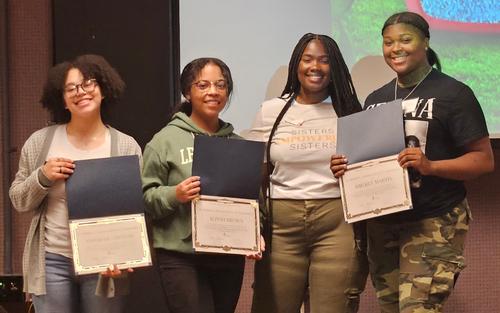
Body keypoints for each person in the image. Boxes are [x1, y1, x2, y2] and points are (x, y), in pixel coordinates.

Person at [331, 11, 494, 313]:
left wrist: (431, 166)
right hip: (383, 223)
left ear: (426, 42)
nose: (396, 49)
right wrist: (345, 168)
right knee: (391, 308)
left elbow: (483, 161)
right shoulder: (375, 99)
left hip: (434, 219)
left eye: (406, 40)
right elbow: (368, 160)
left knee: (418, 308)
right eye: (388, 42)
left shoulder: (454, 94)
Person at [245, 33, 368, 313]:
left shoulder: (349, 111)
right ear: (296, 65)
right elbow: (255, 175)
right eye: (308, 59)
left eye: (324, 60)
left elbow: (368, 170)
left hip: (338, 223)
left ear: (334, 66)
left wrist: (351, 169)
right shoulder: (270, 111)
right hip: (281, 225)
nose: (316, 66)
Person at [9, 54, 142, 313]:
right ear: (63, 101)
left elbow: (134, 211)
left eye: (89, 83)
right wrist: (42, 176)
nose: (80, 92)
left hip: (104, 263)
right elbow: (18, 199)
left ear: (104, 90)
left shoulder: (125, 146)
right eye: (71, 88)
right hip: (51, 262)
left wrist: (126, 255)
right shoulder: (40, 142)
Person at [142, 57, 248, 313]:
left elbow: (252, 199)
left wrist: (255, 234)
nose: (213, 92)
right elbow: (145, 198)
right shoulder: (164, 140)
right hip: (181, 256)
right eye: (203, 85)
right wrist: (174, 194)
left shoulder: (238, 144)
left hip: (228, 255)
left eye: (220, 85)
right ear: (187, 92)